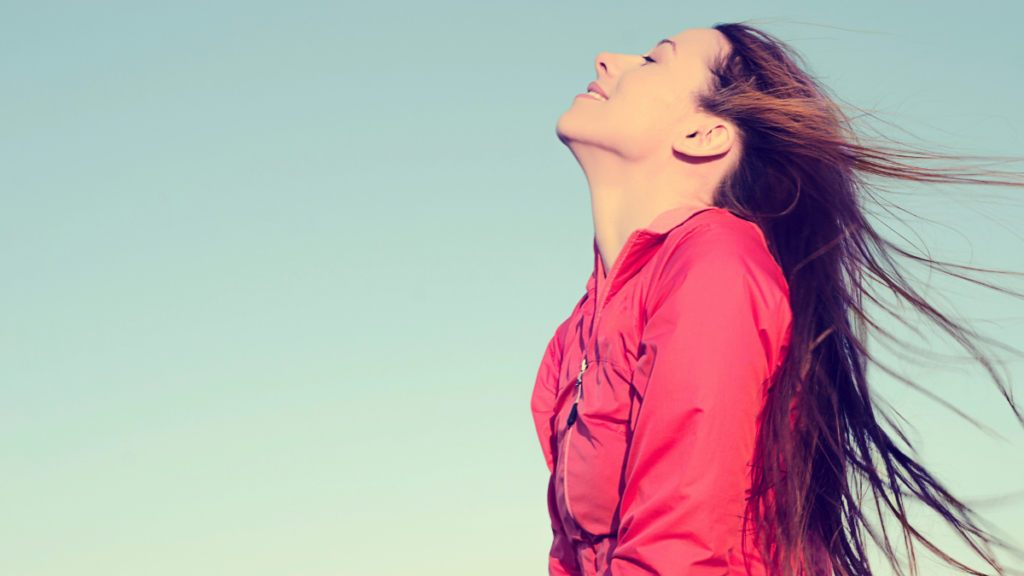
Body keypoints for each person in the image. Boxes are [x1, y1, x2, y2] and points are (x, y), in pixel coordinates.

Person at [530, 23, 1023, 576]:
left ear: (702, 134)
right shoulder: (574, 334)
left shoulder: (714, 263)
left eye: (651, 60)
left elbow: (680, 552)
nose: (605, 59)